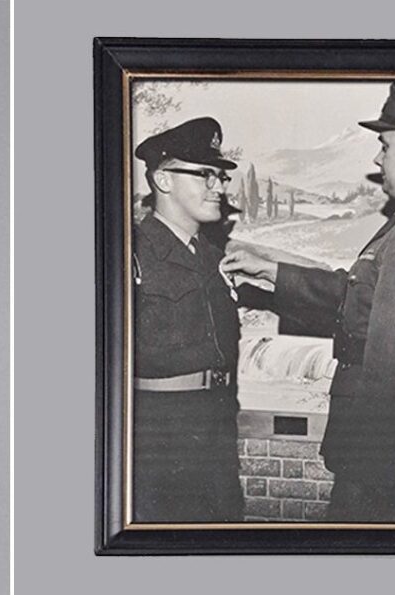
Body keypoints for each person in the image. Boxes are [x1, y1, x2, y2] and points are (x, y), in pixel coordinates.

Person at [221, 83, 395, 522]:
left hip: (378, 457)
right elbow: (355, 294)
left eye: (385, 145)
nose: (378, 159)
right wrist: (272, 271)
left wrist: (376, 465)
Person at [131, 116, 244, 522]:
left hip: (217, 426)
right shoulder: (132, 254)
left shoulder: (213, 259)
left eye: (220, 177)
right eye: (205, 175)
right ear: (163, 180)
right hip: (160, 440)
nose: (219, 187)